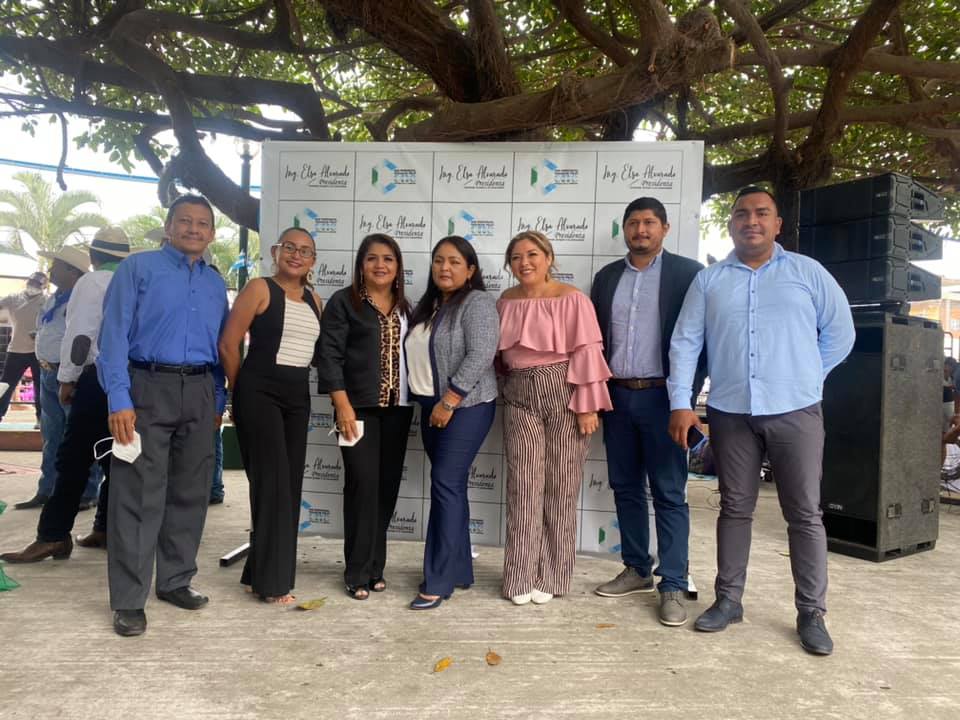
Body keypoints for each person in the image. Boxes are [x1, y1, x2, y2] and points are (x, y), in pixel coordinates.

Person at [668, 186, 855, 656]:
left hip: (796, 409)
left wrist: (808, 376)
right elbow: (686, 343)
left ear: (777, 224)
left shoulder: (807, 273)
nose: (751, 221)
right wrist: (680, 402)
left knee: (804, 513)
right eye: (741, 214)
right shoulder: (709, 281)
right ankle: (729, 600)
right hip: (731, 411)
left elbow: (841, 332)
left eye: (762, 213)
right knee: (734, 507)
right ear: (731, 224)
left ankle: (811, 612)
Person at [97, 195, 228, 637]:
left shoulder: (214, 283)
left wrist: (218, 399)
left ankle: (175, 580)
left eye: (203, 223)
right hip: (145, 386)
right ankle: (129, 600)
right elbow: (113, 337)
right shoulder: (138, 269)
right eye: (185, 221)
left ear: (212, 233)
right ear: (168, 226)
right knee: (137, 494)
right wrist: (119, 398)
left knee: (191, 490)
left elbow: (222, 345)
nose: (194, 229)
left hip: (200, 390)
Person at [590, 197, 706, 626]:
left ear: (665, 228)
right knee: (625, 487)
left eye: (649, 222)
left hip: (665, 399)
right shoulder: (606, 278)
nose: (641, 229)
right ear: (624, 229)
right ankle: (637, 568)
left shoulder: (689, 274)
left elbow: (701, 340)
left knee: (669, 492)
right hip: (618, 397)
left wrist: (685, 399)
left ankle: (672, 582)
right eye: (634, 223)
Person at [0, 229, 130, 563]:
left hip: (95, 376)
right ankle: (105, 527)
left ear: (94, 256)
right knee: (115, 456)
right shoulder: (134, 279)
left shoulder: (92, 282)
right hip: (129, 380)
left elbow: (80, 336)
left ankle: (53, 535)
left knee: (72, 457)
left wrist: (68, 378)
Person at [497, 230, 612, 605]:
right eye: (516, 257)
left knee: (561, 486)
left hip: (564, 391)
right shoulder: (505, 301)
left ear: (548, 258)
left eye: (532, 254)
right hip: (518, 395)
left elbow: (587, 351)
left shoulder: (572, 299)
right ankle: (519, 576)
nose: (524, 262)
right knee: (523, 486)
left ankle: (552, 575)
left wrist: (588, 405)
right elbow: (498, 358)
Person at [219, 227, 322, 604]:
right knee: (273, 485)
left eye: (305, 251)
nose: (296, 255)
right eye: (289, 247)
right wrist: (239, 391)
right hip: (259, 393)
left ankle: (257, 573)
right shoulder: (259, 289)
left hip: (297, 398)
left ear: (313, 261)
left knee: (288, 488)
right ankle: (273, 584)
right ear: (276, 252)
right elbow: (228, 344)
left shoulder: (315, 299)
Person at [405, 236, 499, 610]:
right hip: (431, 407)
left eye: (455, 261)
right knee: (452, 486)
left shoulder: (477, 303)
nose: (445, 267)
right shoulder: (428, 305)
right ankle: (459, 569)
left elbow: (482, 354)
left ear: (470, 269)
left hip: (467, 406)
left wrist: (450, 400)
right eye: (439, 260)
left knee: (444, 483)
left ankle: (438, 580)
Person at [317, 233, 413, 600]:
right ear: (361, 265)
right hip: (355, 409)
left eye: (388, 258)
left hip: (398, 410)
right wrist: (342, 404)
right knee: (361, 486)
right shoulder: (344, 302)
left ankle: (375, 567)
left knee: (386, 489)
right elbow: (329, 355)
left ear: (398, 266)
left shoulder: (406, 307)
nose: (380, 265)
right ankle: (356, 571)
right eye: (372, 258)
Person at [15, 248, 100, 511]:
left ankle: (87, 491)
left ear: (72, 271)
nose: (51, 270)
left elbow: (82, 338)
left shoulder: (82, 300)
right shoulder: (54, 298)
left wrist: (70, 376)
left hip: (71, 374)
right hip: (48, 371)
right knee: (51, 435)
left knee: (80, 435)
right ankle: (47, 488)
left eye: (57, 266)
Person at [0, 271, 45, 427]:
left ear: (43, 286)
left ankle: (41, 418)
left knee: (40, 386)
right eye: (32, 282)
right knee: (6, 385)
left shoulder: (46, 301)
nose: (33, 285)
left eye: (38, 284)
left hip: (37, 351)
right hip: (16, 349)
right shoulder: (14, 298)